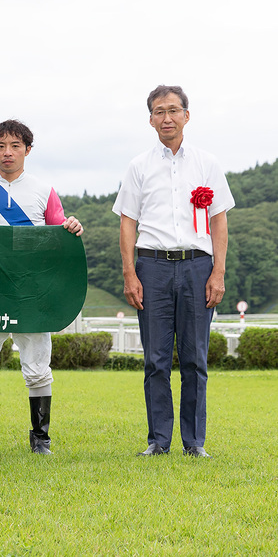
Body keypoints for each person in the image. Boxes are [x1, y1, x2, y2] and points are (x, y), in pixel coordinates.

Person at [0, 119, 83, 455]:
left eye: (15, 146)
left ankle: (41, 440)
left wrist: (71, 227)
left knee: (38, 367)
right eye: (0, 146)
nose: (7, 153)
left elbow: (58, 237)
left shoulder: (44, 190)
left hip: (32, 294)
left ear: (27, 150)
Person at [113, 85, 234, 459]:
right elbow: (128, 224)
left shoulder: (208, 163)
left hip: (199, 267)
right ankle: (159, 440)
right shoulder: (138, 166)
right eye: (159, 112)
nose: (167, 118)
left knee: (196, 357)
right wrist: (130, 274)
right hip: (152, 267)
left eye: (173, 110)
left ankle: (194, 442)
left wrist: (218, 272)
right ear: (150, 119)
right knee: (156, 359)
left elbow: (219, 222)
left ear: (186, 115)